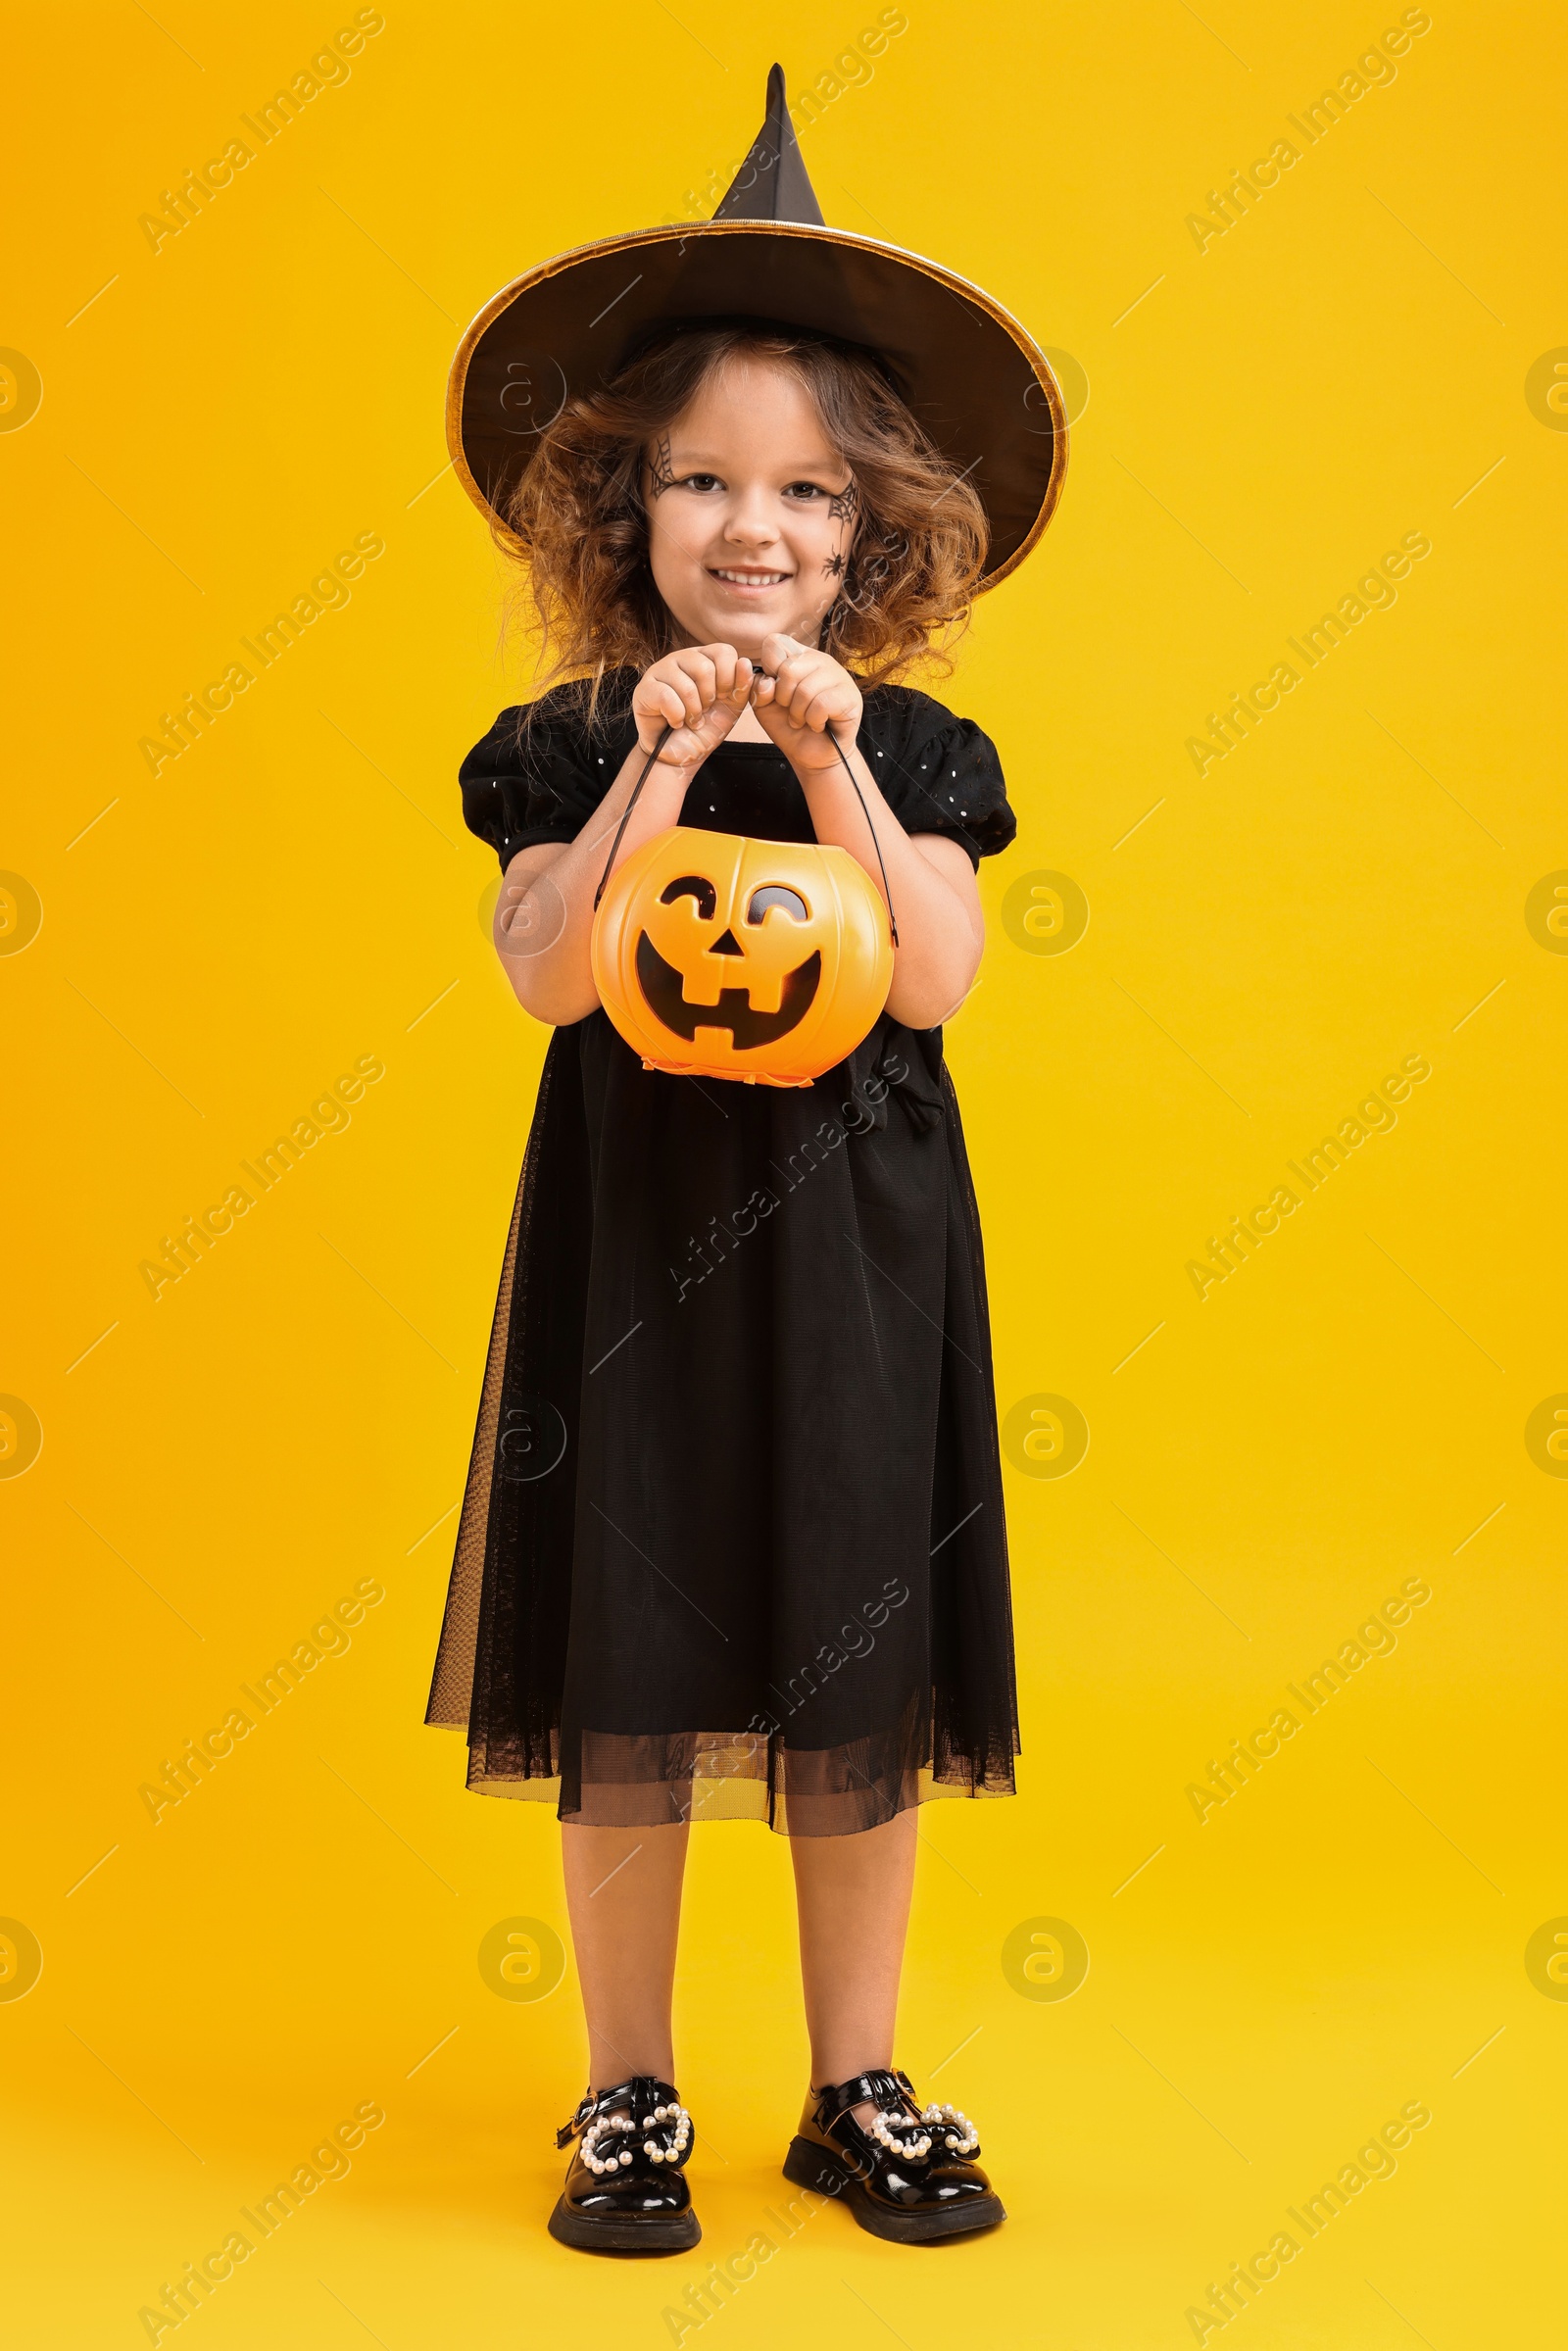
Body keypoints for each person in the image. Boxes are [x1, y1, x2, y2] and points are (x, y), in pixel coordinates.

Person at [425, 66, 1068, 2254]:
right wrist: (652, 764)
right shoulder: (565, 740)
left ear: (870, 532)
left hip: (856, 1246)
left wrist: (825, 759)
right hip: (635, 1229)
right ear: (626, 518)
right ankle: (626, 2092)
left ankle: (853, 2078)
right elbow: (552, 971)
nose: (750, 526)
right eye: (696, 481)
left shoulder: (919, 749)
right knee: (623, 1654)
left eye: (800, 491)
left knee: (848, 1662)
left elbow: (929, 980)